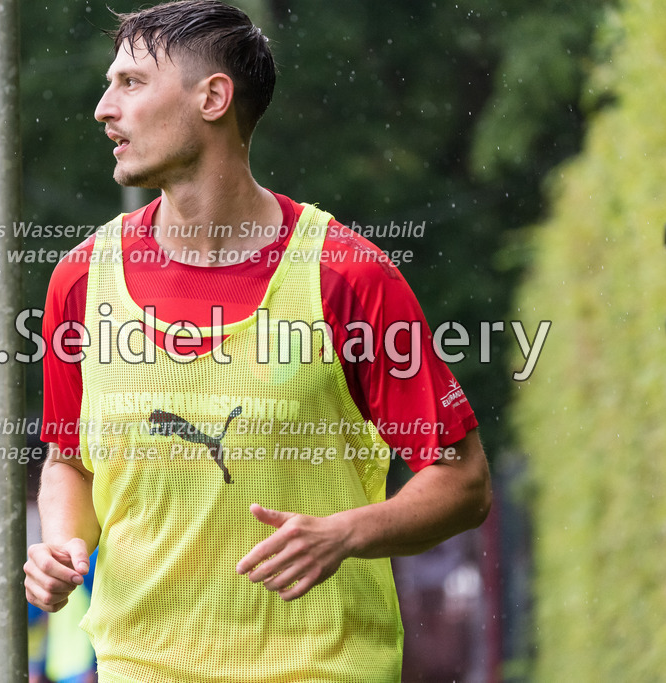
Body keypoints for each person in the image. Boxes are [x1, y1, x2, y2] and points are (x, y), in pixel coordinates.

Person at [24, 1, 492, 681]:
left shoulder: (346, 275)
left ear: (214, 97)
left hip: (322, 666)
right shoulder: (79, 279)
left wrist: (346, 533)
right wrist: (62, 545)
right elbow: (70, 460)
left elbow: (465, 482)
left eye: (130, 83)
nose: (103, 107)